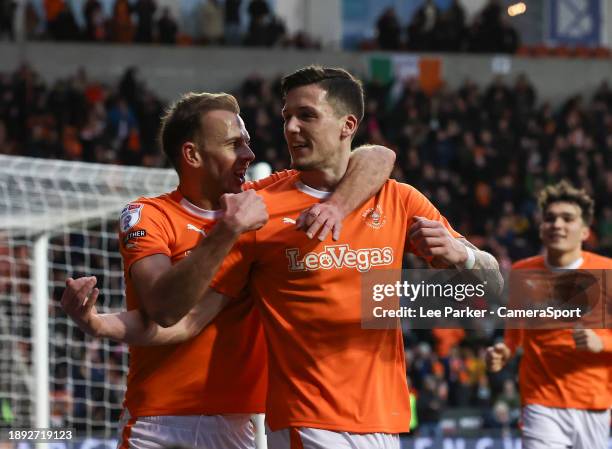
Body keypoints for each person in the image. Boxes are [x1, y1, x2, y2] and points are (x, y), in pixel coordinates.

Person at [61, 90, 397, 449]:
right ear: (192, 154)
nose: (249, 154)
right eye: (234, 144)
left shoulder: (263, 200)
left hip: (240, 424)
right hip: (159, 421)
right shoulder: (148, 215)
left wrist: (338, 208)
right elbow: (164, 310)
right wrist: (228, 229)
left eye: (247, 142)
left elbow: (379, 155)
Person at [189, 66, 502, 449]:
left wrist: (463, 257)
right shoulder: (258, 208)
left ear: (347, 125)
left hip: (384, 422)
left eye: (306, 115)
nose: (290, 128)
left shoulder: (398, 199)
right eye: (286, 116)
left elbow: (496, 287)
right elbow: (197, 308)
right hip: (308, 420)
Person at [486, 180, 612, 449]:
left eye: (568, 218)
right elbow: (514, 334)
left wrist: (601, 342)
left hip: (593, 402)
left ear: (586, 231)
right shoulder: (522, 272)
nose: (557, 225)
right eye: (550, 218)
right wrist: (504, 352)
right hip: (540, 402)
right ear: (541, 228)